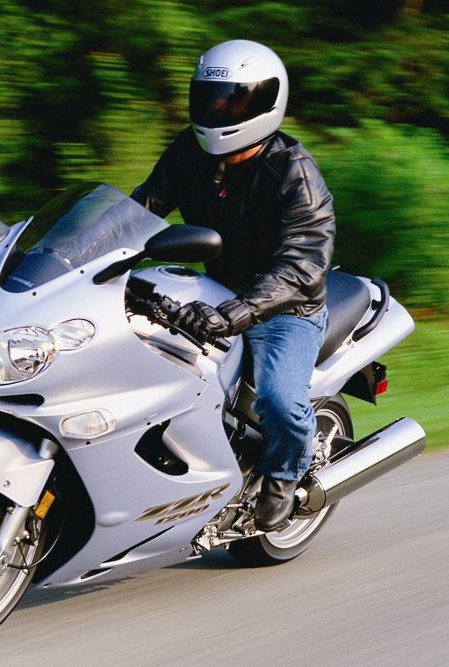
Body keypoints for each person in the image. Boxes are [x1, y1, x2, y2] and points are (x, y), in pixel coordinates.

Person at [132, 39, 336, 532]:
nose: (219, 110)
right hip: (216, 292)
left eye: (233, 101)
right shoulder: (189, 150)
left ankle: (284, 474)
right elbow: (140, 211)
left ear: (267, 103)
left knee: (278, 400)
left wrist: (237, 313)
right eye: (211, 98)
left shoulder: (293, 171)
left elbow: (303, 263)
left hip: (286, 309)